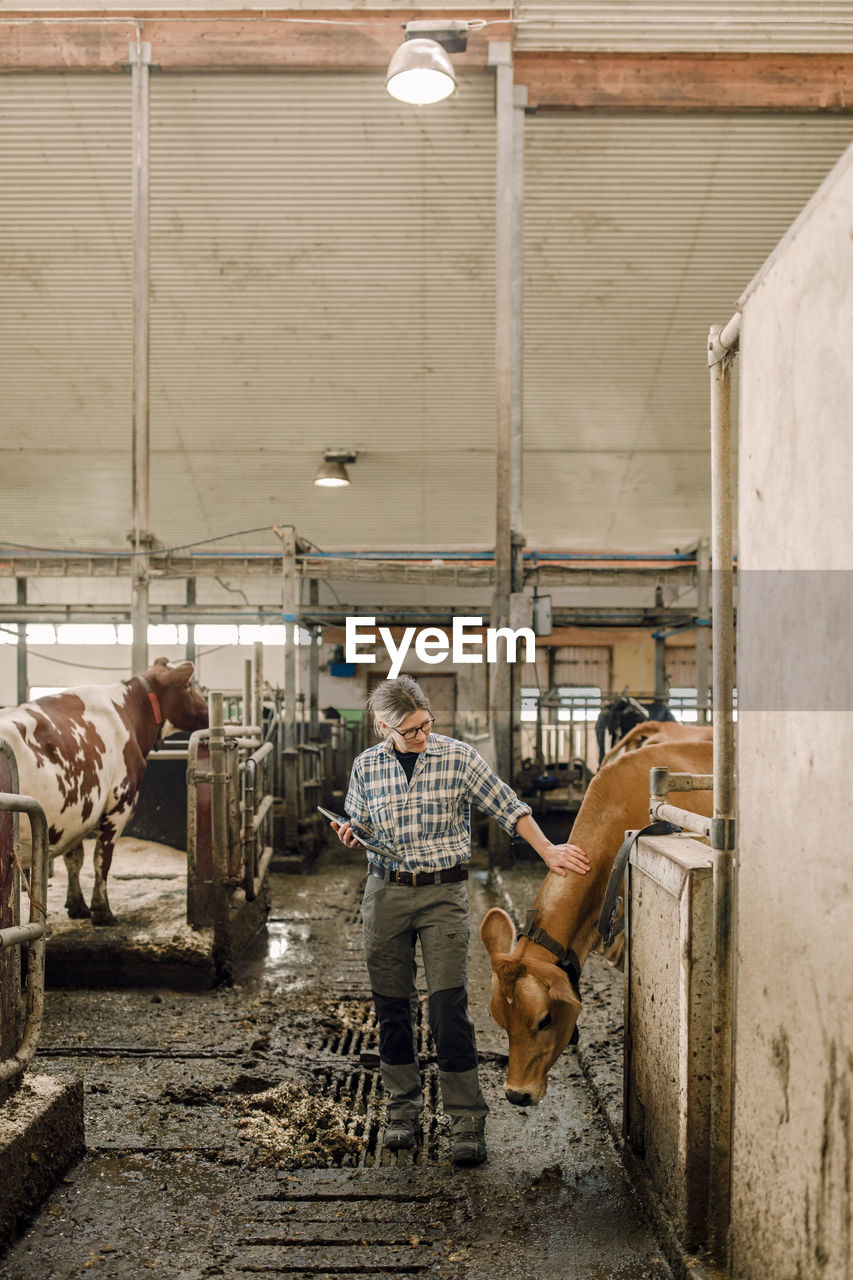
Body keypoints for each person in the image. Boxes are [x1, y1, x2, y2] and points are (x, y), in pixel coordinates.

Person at [330, 674, 590, 1166]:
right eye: (410, 730)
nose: (422, 735)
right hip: (384, 892)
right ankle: (402, 1112)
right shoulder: (366, 767)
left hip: (442, 893)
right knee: (392, 1008)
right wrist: (351, 833)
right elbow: (358, 820)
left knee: (449, 1008)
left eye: (427, 724)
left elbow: (508, 807)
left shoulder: (457, 757)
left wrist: (548, 850)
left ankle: (467, 1121)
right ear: (385, 727)